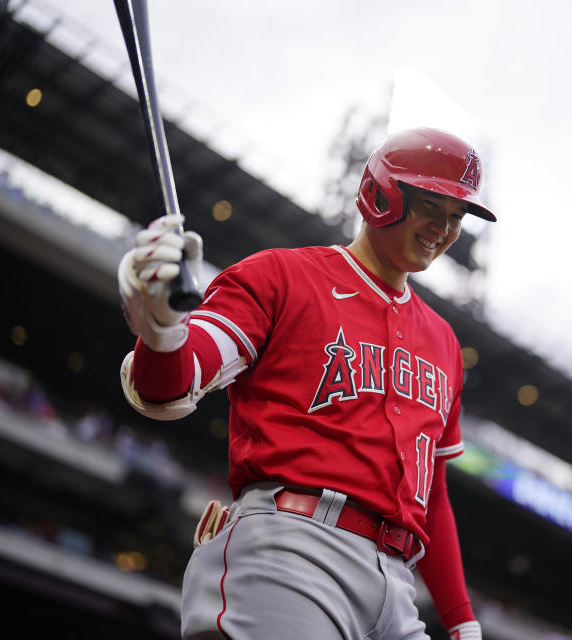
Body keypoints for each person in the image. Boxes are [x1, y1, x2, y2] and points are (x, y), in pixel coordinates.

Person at [117, 127, 495, 640]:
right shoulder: (282, 276)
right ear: (382, 194)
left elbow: (434, 494)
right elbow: (174, 384)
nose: (444, 229)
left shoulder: (445, 342)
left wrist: (460, 619)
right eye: (432, 206)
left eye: (456, 217)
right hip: (293, 551)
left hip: (398, 585)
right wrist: (162, 331)